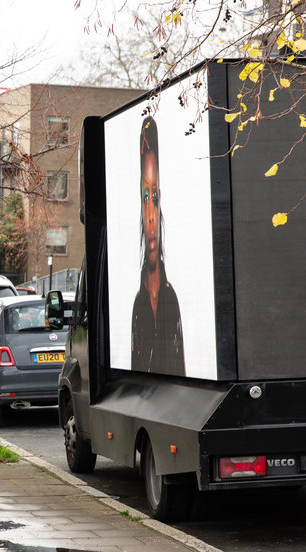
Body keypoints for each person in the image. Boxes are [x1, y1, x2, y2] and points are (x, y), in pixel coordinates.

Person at [130, 116, 185, 376]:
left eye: (154, 195)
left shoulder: (171, 299)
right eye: (144, 197)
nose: (151, 214)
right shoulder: (138, 305)